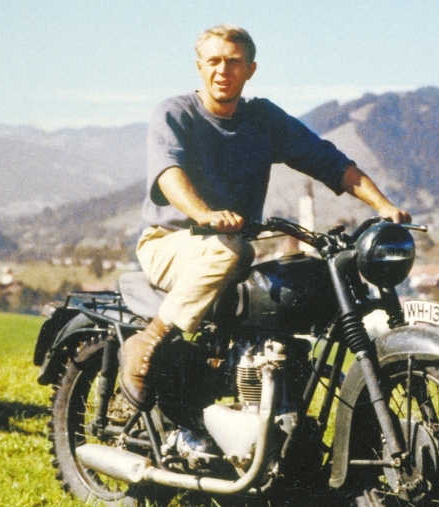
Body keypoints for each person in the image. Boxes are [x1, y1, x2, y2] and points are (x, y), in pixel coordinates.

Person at [120, 24, 411, 415]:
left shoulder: (263, 120)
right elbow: (168, 174)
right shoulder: (176, 113)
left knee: (305, 279)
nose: (223, 70)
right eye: (214, 61)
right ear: (199, 67)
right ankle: (148, 340)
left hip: (228, 245)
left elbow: (328, 160)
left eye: (234, 62)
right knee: (230, 251)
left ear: (250, 69)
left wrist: (383, 205)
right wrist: (204, 214)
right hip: (169, 242)